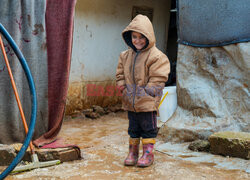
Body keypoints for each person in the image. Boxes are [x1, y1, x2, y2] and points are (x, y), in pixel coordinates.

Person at [116, 14, 170, 167]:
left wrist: (149, 92)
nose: (137, 40)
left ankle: (148, 154)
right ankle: (133, 153)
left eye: (141, 37)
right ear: (129, 37)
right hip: (130, 101)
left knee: (148, 128)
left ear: (149, 37)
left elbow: (159, 77)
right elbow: (119, 73)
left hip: (147, 101)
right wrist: (122, 85)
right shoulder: (125, 55)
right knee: (133, 128)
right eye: (134, 37)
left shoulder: (157, 56)